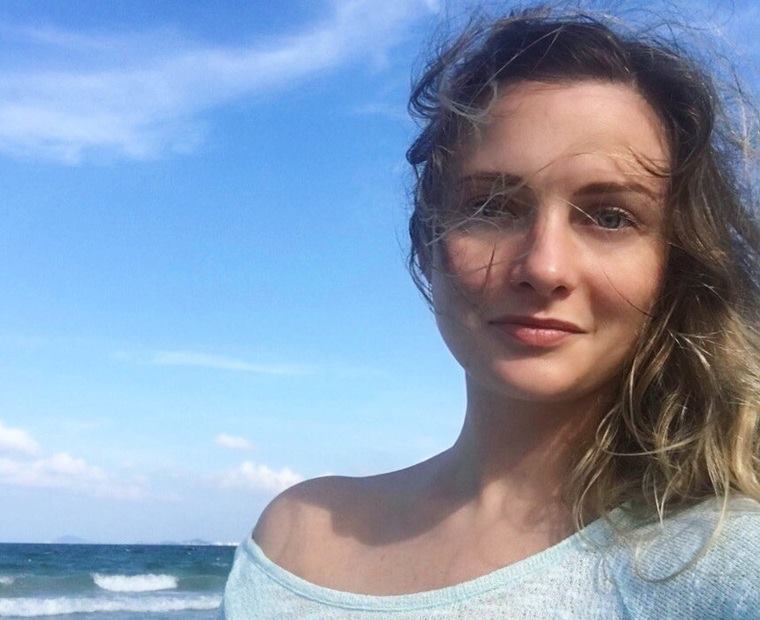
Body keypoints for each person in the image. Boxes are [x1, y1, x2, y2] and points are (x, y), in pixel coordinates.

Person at [218, 6, 760, 618]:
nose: (545, 267)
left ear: (674, 266)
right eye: (493, 208)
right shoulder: (296, 539)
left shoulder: (726, 565)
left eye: (610, 216)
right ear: (429, 243)